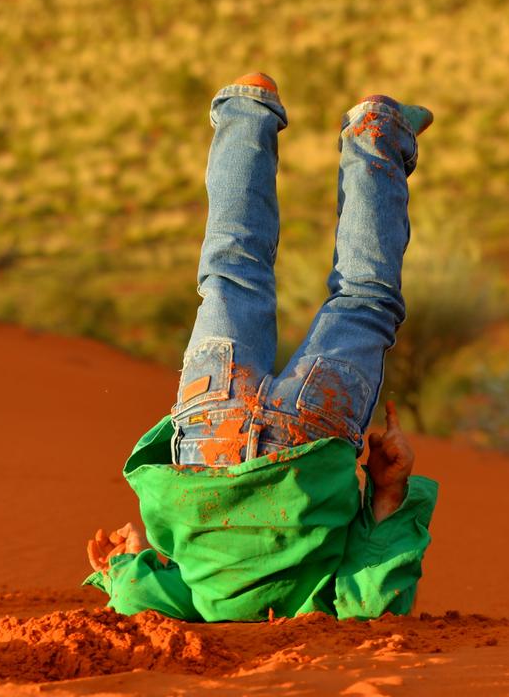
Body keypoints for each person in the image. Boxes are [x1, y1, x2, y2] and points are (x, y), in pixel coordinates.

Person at [83, 73, 438, 622]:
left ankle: (378, 132)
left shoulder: (307, 611)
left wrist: (388, 489)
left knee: (364, 300)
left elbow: (371, 605)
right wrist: (127, 568)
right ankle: (246, 112)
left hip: (308, 444)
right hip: (210, 435)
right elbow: (141, 604)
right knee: (230, 275)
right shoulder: (200, 606)